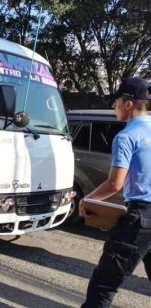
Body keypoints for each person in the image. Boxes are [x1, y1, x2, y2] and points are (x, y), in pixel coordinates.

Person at [79, 77, 151, 308]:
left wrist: (86, 200)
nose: (114, 106)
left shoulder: (126, 136)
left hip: (141, 219)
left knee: (104, 284)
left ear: (128, 104)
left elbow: (114, 184)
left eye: (116, 101)